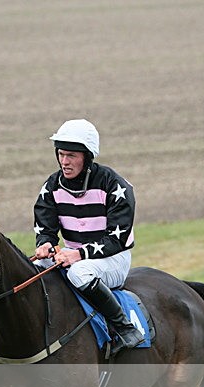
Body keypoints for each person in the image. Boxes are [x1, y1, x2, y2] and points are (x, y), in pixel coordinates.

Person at [34, 118, 145, 353]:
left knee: (79, 271)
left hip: (112, 260)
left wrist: (79, 254)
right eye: (61, 154)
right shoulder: (51, 187)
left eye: (71, 156)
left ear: (87, 157)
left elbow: (117, 239)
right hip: (71, 254)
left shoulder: (114, 185)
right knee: (37, 266)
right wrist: (45, 244)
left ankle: (125, 329)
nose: (65, 162)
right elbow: (45, 227)